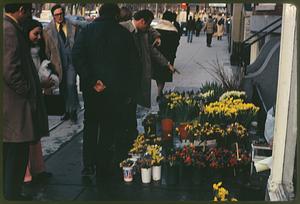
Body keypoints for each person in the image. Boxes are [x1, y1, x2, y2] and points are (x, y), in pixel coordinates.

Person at [72, 3, 139, 180]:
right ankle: (104, 164)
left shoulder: (86, 31)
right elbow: (133, 65)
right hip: (115, 90)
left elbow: (77, 56)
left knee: (91, 125)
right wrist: (130, 91)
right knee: (109, 127)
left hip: (92, 89)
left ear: (100, 13)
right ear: (117, 15)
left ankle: (88, 165)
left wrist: (92, 80)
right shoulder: (124, 34)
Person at [4, 3, 49, 200]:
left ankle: (10, 191)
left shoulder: (9, 28)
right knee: (17, 151)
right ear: (22, 9)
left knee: (12, 150)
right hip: (16, 103)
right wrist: (28, 91)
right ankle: (12, 193)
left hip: (12, 102)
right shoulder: (9, 30)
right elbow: (9, 69)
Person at [119, 9, 175, 162]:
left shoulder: (142, 33)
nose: (150, 29)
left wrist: (167, 64)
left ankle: (131, 137)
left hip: (137, 78)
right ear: (142, 21)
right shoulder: (123, 28)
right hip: (124, 79)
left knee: (132, 107)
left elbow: (153, 51)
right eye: (148, 25)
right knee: (125, 110)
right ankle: (125, 140)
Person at [22, 19, 58, 184]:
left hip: (36, 95)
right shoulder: (21, 49)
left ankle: (37, 168)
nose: (38, 37)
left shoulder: (38, 49)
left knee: (35, 135)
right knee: (27, 135)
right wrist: (40, 83)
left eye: (39, 34)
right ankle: (27, 171)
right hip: (26, 96)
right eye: (35, 33)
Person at [43, 4, 80, 123]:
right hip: (57, 63)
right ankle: (67, 110)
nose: (59, 16)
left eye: (61, 14)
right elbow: (47, 50)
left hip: (71, 62)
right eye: (57, 15)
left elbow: (78, 43)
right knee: (63, 87)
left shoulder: (73, 26)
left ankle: (73, 110)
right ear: (53, 16)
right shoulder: (48, 31)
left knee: (71, 85)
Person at [152, 11, 180, 99]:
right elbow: (176, 44)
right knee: (163, 75)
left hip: (157, 55)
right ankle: (159, 92)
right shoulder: (174, 30)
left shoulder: (156, 28)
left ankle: (159, 90)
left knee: (157, 74)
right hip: (168, 55)